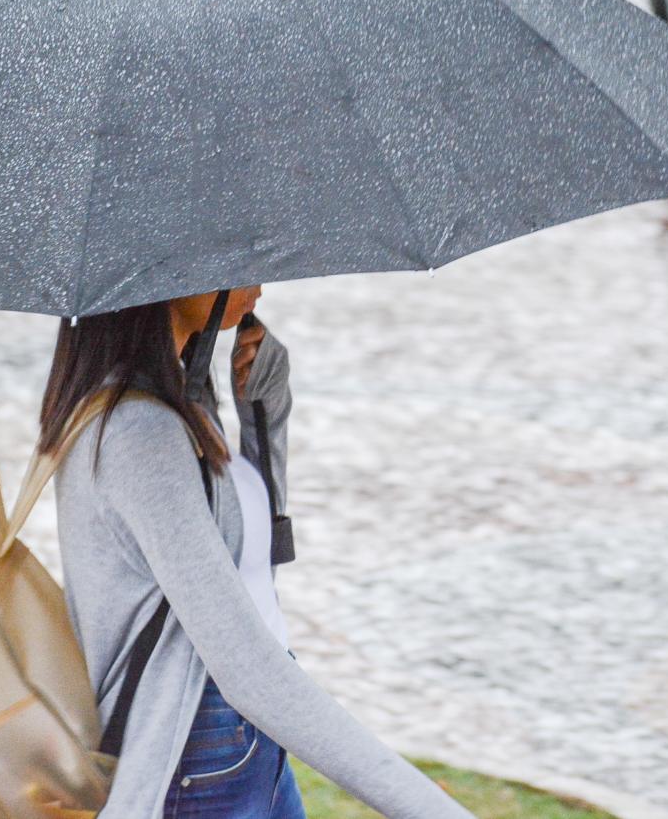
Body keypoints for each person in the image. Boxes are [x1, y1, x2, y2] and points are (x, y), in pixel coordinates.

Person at [47, 285, 477, 819]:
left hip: (242, 738)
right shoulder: (139, 433)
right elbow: (243, 665)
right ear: (166, 278)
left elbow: (246, 567)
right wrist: (429, 807)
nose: (255, 279)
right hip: (198, 751)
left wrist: (264, 414)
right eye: (231, 257)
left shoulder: (176, 400)